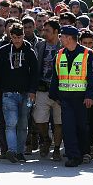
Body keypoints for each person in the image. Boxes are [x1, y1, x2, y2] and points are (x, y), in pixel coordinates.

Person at [0, 23, 39, 163]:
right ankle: (11, 150)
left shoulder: (29, 51)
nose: (17, 40)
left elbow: (35, 73)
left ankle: (20, 152)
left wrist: (32, 91)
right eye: (14, 37)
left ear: (23, 35)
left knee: (23, 124)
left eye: (20, 36)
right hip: (8, 94)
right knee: (11, 123)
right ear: (10, 36)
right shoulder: (4, 50)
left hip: (26, 94)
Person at [49, 25, 93, 167]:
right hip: (65, 98)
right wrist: (54, 95)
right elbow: (55, 77)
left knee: (81, 126)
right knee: (68, 127)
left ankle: (84, 152)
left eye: (62, 36)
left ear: (69, 38)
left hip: (81, 98)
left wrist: (90, 95)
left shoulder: (87, 54)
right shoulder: (59, 54)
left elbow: (92, 76)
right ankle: (73, 156)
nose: (60, 39)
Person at [33, 18, 63, 160]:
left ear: (56, 32)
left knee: (59, 121)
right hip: (42, 88)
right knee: (39, 119)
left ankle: (57, 148)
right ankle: (46, 139)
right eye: (43, 30)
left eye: (48, 31)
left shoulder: (64, 46)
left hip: (59, 91)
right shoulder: (39, 45)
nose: (44, 33)